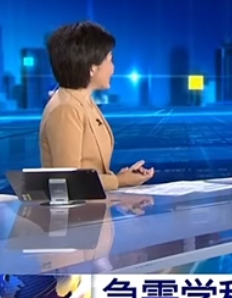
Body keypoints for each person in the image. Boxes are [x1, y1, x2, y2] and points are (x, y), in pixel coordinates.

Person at [41, 21, 154, 190]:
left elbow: (91, 172)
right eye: (109, 60)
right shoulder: (66, 110)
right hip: (77, 208)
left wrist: (120, 178)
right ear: (92, 68)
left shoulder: (84, 102)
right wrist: (119, 181)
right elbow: (69, 181)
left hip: (94, 205)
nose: (113, 69)